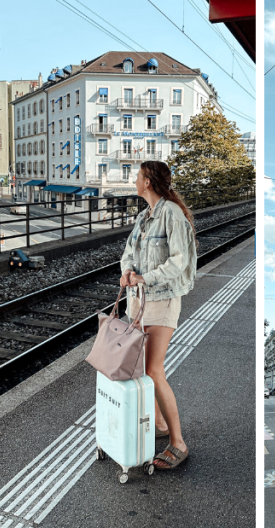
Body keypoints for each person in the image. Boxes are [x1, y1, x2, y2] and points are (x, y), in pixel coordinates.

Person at [120, 161, 197, 471]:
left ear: (148, 181)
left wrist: (145, 278)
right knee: (140, 368)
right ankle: (161, 424)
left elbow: (179, 261)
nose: (135, 180)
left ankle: (178, 443)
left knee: (153, 370)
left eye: (138, 176)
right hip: (138, 301)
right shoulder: (143, 218)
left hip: (162, 300)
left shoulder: (172, 215)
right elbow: (128, 252)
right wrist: (127, 271)